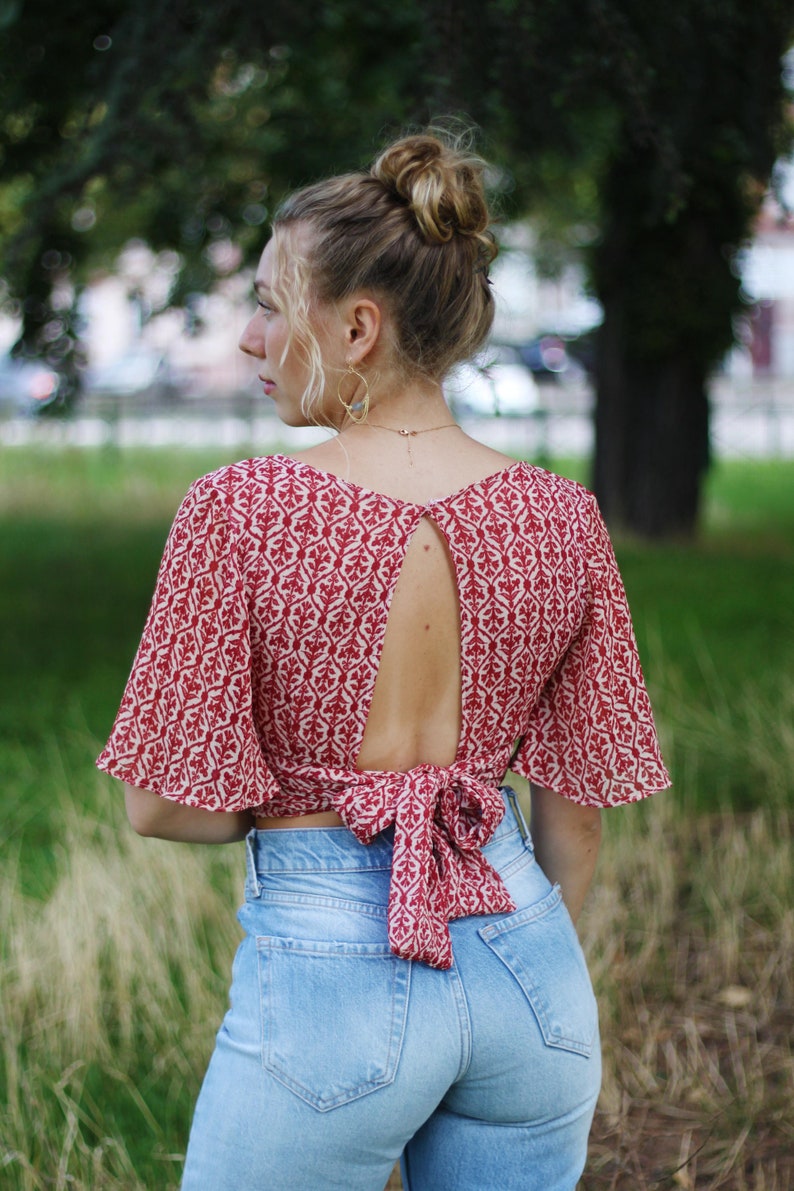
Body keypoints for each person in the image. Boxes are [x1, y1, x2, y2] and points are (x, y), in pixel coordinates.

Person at [97, 128, 670, 1191]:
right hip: (525, 968)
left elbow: (159, 806)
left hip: (329, 986)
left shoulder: (241, 511)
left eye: (271, 303)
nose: (248, 337)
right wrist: (521, 965)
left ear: (356, 327)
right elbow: (577, 814)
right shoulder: (560, 518)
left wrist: (302, 814)